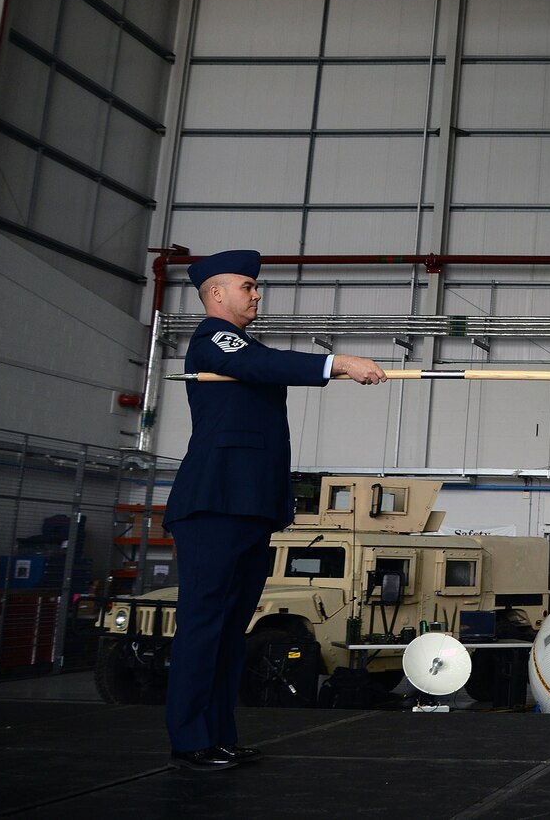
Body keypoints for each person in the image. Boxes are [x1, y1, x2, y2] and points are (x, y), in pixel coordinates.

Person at [166, 249, 387, 772]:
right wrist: (339, 363)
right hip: (214, 505)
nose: (257, 293)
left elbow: (260, 365)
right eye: (248, 285)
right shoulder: (214, 339)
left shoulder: (244, 347)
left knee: (229, 630)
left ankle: (216, 733)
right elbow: (259, 363)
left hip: (247, 507)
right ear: (216, 294)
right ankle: (190, 737)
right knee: (205, 626)